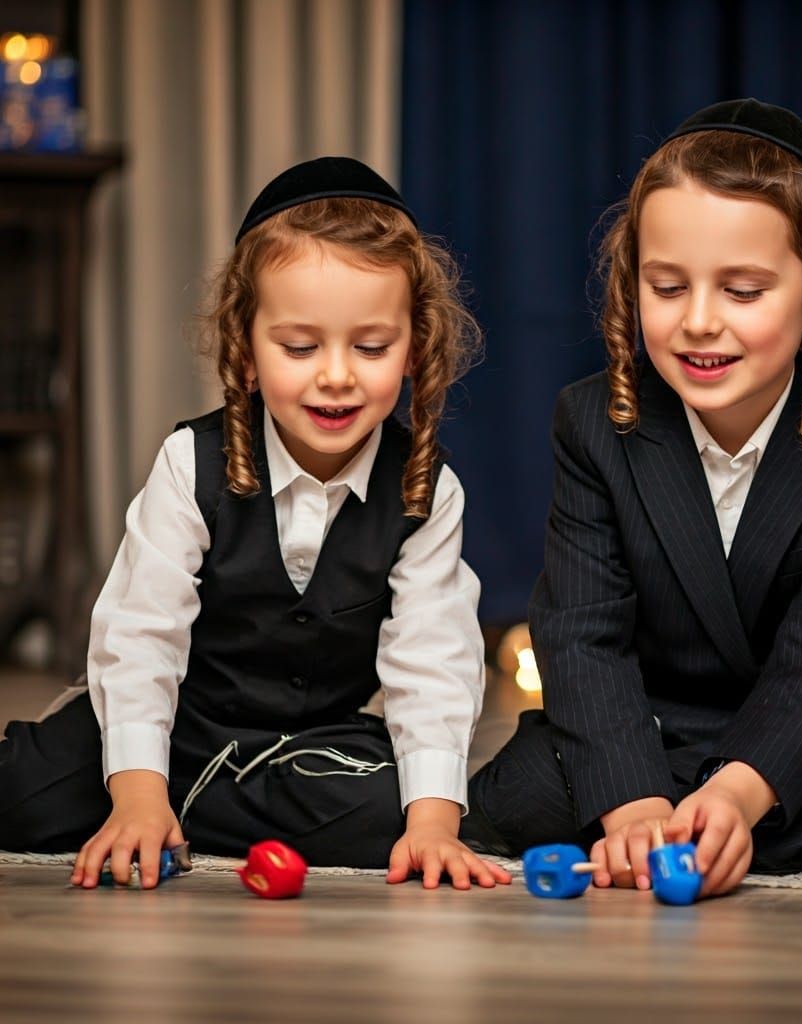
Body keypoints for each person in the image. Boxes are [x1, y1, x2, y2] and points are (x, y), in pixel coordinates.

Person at [462, 99, 802, 897]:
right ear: (631, 285)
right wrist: (631, 796)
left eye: (743, 292)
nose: (700, 323)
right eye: (669, 287)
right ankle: (680, 832)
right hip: (649, 725)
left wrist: (739, 792)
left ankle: (717, 831)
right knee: (514, 787)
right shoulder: (594, 420)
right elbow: (582, 635)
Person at [0, 156, 511, 892]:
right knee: (24, 793)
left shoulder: (428, 491)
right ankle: (162, 801)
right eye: (300, 347)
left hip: (306, 746)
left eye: (370, 347)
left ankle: (203, 806)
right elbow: (143, 635)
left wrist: (431, 825)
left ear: (415, 350)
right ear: (245, 351)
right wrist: (139, 795)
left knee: (392, 815)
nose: (335, 374)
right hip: (172, 727)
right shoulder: (190, 464)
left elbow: (432, 664)